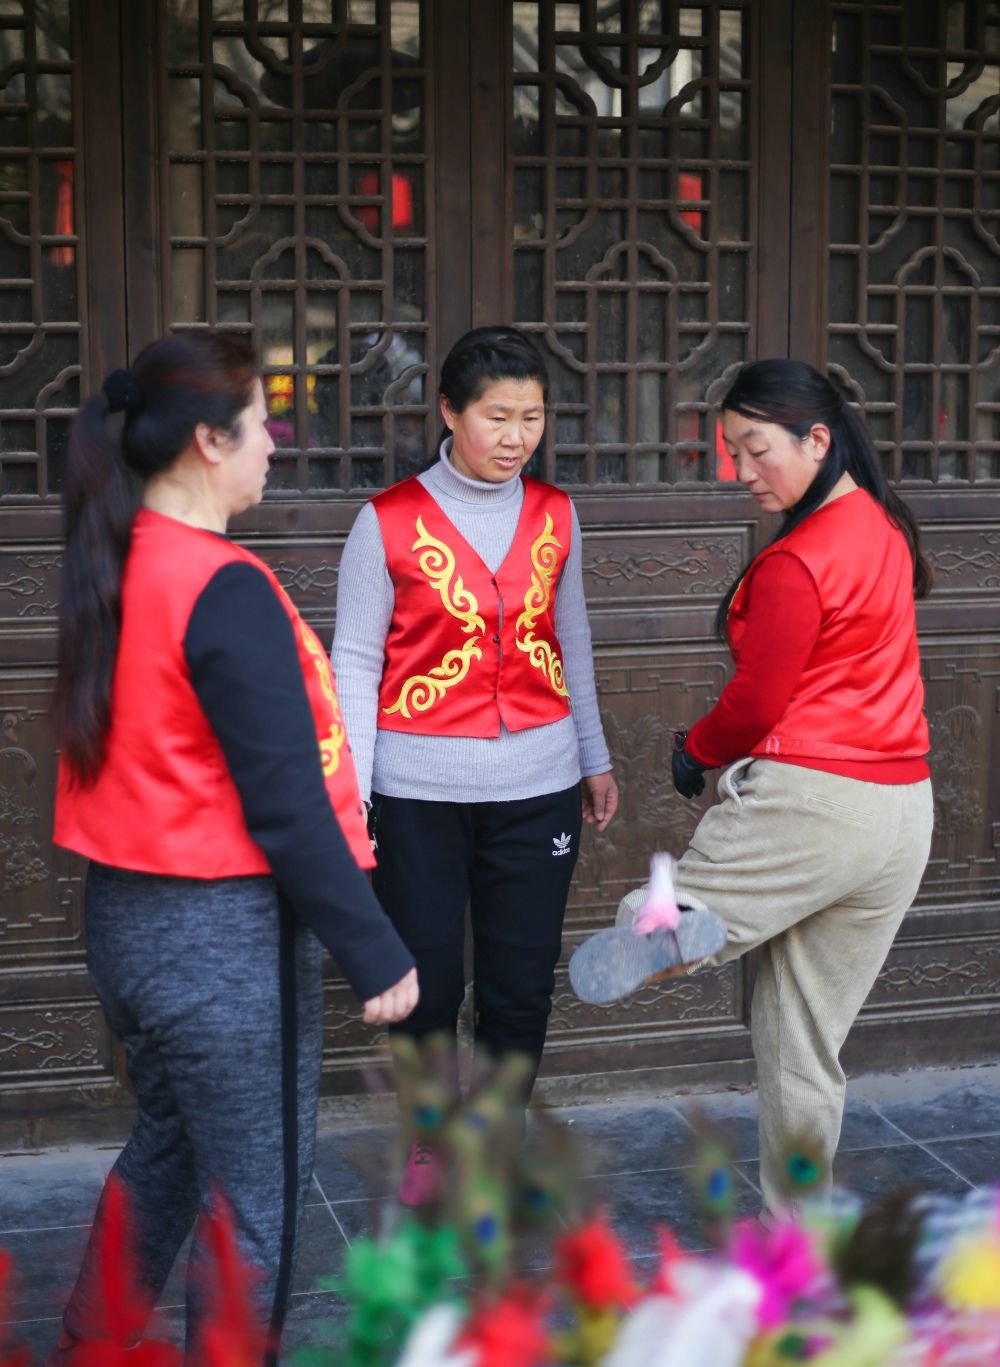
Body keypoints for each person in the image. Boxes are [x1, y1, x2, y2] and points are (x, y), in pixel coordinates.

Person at [47, 330, 417, 1367]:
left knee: (167, 1147)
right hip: (222, 935)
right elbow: (287, 806)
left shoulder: (116, 562)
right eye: (263, 427)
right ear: (209, 441)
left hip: (127, 922)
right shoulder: (221, 585)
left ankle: (87, 1354)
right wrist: (375, 951)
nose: (275, 448)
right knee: (258, 1200)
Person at [630, 358, 934, 1214]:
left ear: (817, 440)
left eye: (757, 450)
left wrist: (694, 750)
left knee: (665, 922)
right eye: (731, 452)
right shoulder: (882, 528)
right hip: (902, 813)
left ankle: (661, 926)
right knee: (802, 1046)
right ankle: (797, 1245)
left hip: (814, 804)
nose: (743, 471)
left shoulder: (800, 560)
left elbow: (759, 701)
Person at [331, 326, 618, 1204]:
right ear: (450, 412)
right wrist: (351, 798)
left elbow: (571, 640)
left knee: (519, 985)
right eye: (498, 415)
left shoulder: (556, 514)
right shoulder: (386, 522)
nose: (516, 435)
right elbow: (354, 662)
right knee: (428, 985)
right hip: (416, 793)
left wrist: (594, 758)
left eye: (532, 416)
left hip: (539, 787)